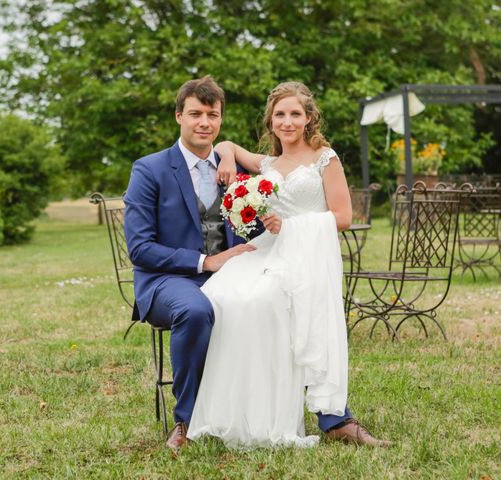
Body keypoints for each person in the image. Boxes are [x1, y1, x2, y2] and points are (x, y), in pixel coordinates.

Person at [186, 82, 392, 448]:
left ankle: (335, 417)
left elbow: (343, 216)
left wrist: (291, 227)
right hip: (268, 250)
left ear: (309, 118)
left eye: (295, 113)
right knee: (224, 293)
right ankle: (243, 411)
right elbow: (224, 146)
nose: (287, 121)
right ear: (271, 121)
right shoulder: (268, 163)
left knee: (263, 299)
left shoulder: (324, 158)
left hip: (307, 253)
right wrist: (230, 157)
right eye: (280, 114)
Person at [123, 76, 256, 450]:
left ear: (220, 121)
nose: (204, 122)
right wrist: (205, 261)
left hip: (230, 277)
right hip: (166, 281)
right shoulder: (149, 170)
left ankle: (252, 411)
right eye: (195, 113)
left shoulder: (235, 174)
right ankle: (186, 421)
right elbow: (140, 248)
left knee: (270, 301)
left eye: (212, 115)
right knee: (196, 310)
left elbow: (250, 225)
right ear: (179, 116)